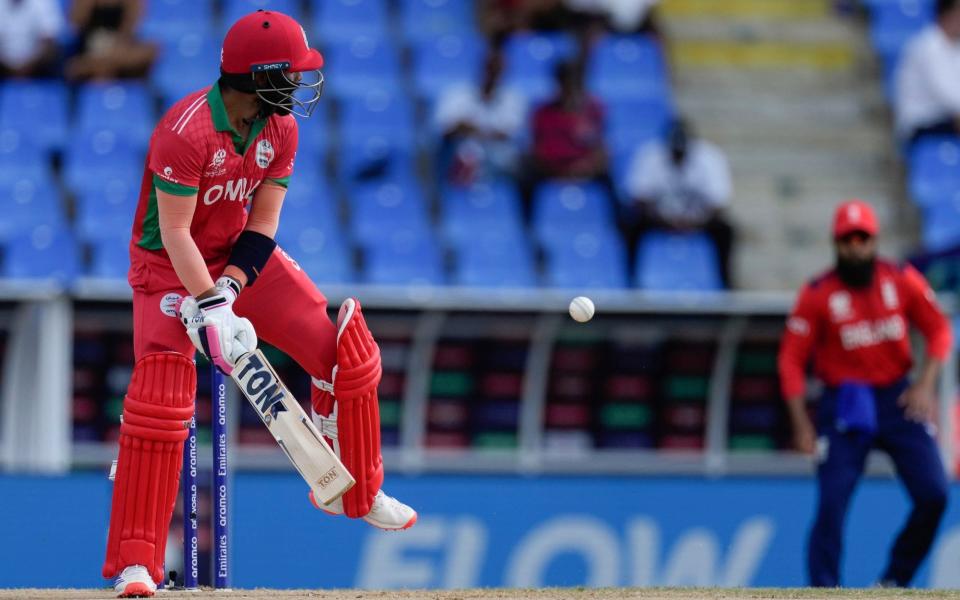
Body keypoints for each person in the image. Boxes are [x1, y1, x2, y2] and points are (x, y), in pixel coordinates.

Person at [102, 11, 415, 598]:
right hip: (167, 268)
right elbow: (174, 233)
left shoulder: (281, 129)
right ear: (256, 77)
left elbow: (263, 223)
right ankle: (136, 564)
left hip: (237, 262)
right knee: (162, 402)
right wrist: (204, 301)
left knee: (347, 349)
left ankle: (357, 486)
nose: (299, 85)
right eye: (290, 74)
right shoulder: (185, 131)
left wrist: (230, 294)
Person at [778, 199, 951, 588]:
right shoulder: (817, 293)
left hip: (897, 398)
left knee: (935, 494)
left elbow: (939, 330)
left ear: (875, 240)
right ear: (834, 243)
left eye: (863, 238)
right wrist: (801, 424)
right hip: (844, 403)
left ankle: (894, 580)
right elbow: (790, 360)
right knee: (832, 505)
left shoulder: (902, 279)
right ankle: (824, 589)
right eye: (847, 239)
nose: (855, 246)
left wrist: (925, 383)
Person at [621, 118, 734, 287]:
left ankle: (725, 284)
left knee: (726, 231)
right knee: (630, 227)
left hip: (699, 221)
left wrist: (694, 223)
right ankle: (632, 284)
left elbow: (719, 204)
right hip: (659, 220)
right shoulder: (650, 155)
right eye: (675, 152)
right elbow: (638, 199)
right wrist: (666, 221)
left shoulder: (710, 157)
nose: (678, 157)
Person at [433, 47, 527, 187]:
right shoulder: (456, 94)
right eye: (489, 67)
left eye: (497, 69)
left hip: (500, 166)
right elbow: (442, 129)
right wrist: (461, 127)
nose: (492, 73)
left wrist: (474, 130)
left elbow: (512, 134)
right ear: (481, 66)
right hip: (458, 163)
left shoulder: (514, 99)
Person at [530, 59, 608, 183]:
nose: (572, 88)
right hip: (552, 174)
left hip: (586, 172)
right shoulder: (543, 114)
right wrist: (563, 172)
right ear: (559, 83)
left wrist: (585, 168)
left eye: (577, 82)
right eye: (568, 82)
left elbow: (600, 151)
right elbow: (539, 154)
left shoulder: (593, 112)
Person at [894, 0, 960, 145]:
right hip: (923, 124)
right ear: (948, 15)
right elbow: (946, 92)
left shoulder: (955, 46)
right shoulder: (927, 46)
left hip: (947, 119)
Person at [64, 0, 156, 81]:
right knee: (98, 71)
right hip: (90, 49)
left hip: (119, 50)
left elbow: (132, 28)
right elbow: (76, 22)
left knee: (150, 51)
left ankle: (95, 65)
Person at [0, 0, 64, 78]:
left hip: (38, 70)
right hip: (3, 69)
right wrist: (9, 68)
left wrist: (25, 68)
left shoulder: (43, 3)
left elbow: (49, 43)